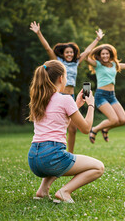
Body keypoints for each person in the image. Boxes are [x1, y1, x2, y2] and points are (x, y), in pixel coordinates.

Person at [27, 60, 104, 204]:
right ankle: (65, 191)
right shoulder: (65, 99)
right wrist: (91, 104)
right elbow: (86, 128)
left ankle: (42, 190)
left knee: (58, 157)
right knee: (98, 167)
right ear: (61, 78)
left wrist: (76, 106)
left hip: (34, 159)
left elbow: (60, 122)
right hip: (52, 157)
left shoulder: (38, 99)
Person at [29, 21, 104, 153]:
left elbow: (87, 51)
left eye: (71, 52)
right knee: (61, 125)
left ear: (74, 54)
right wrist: (38, 33)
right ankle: (58, 150)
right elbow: (48, 49)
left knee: (73, 129)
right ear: (63, 54)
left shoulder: (76, 62)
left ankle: (69, 153)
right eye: (66, 52)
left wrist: (97, 39)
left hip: (71, 96)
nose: (69, 54)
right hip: (59, 96)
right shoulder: (58, 63)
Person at [85, 36, 125, 143]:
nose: (105, 55)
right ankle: (94, 129)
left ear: (110, 54)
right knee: (114, 119)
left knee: (123, 120)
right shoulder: (98, 65)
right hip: (101, 95)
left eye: (107, 53)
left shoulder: (114, 65)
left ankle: (105, 129)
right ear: (100, 55)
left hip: (112, 95)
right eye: (103, 54)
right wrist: (97, 39)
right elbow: (86, 56)